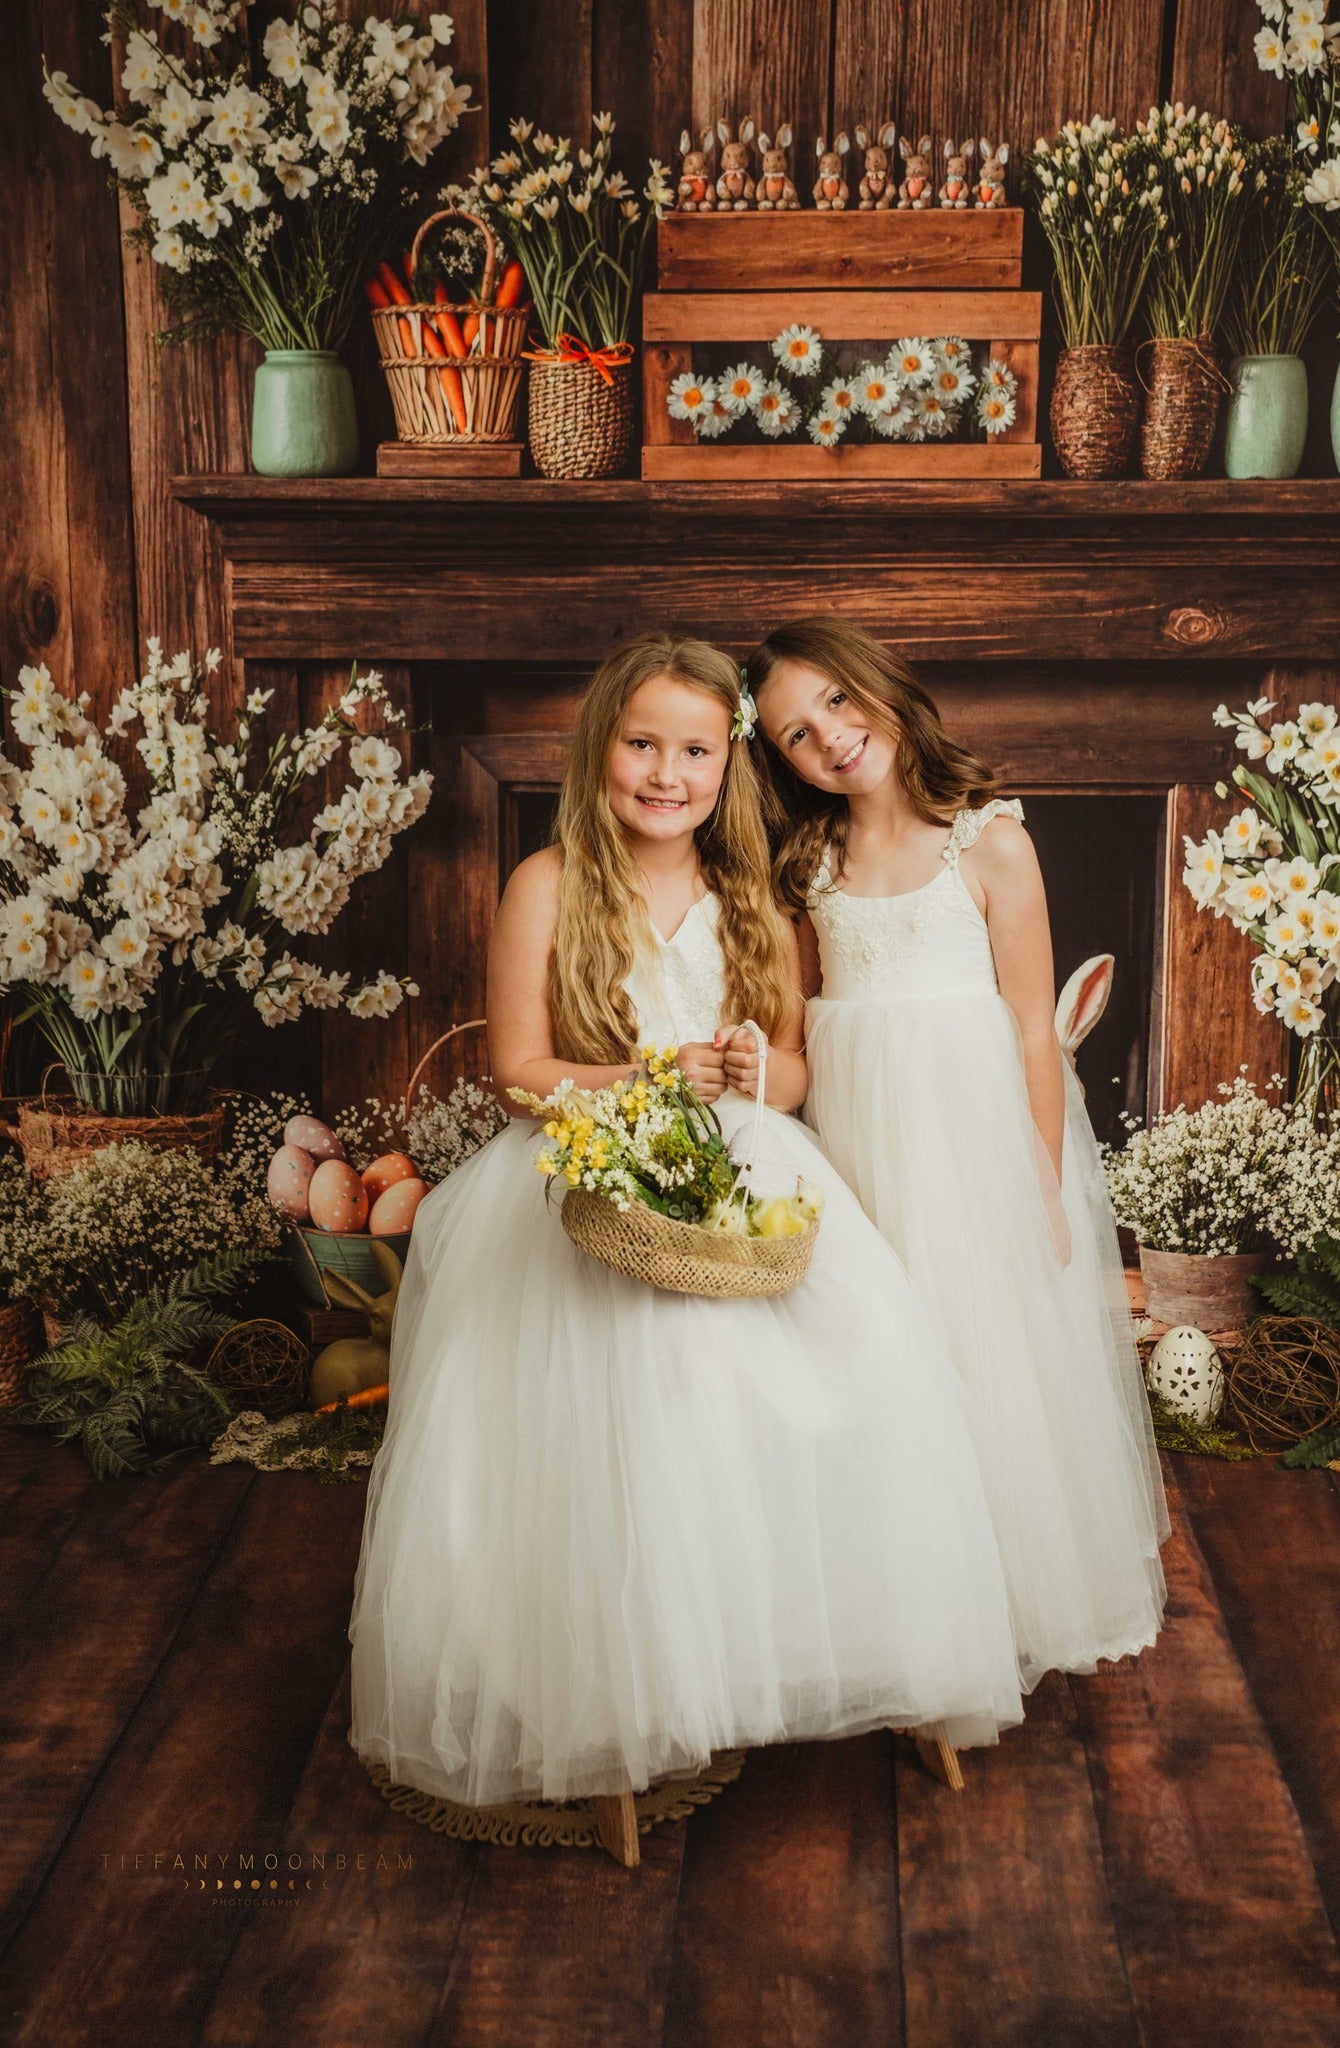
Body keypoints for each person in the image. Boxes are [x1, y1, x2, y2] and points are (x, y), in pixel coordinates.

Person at [347, 630, 1023, 1813]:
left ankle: (825, 1643)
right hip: (590, 1164)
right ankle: (617, 1686)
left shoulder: (755, 896)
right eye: (643, 744)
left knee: (857, 1367)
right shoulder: (547, 884)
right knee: (629, 1382)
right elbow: (516, 1073)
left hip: (741, 1161)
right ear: (600, 746)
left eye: (696, 750)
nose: (667, 773)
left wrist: (759, 1063)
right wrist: (651, 1075)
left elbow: (801, 1070)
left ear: (729, 764)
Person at [746, 615, 1169, 1691]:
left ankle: (1004, 1595)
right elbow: (803, 1035)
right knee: (880, 1353)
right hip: (857, 1147)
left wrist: (1037, 1170)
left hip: (969, 1148)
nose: (830, 737)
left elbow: (1032, 1027)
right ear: (783, 762)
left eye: (836, 701)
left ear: (878, 684)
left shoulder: (986, 843)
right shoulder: (811, 867)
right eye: (797, 734)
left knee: (981, 1353)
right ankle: (896, 1599)